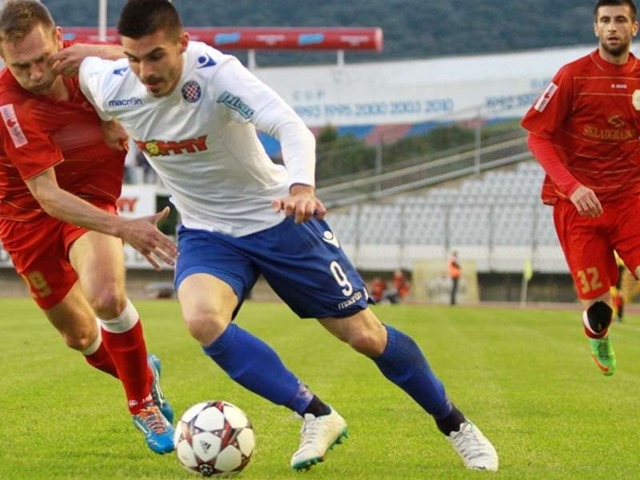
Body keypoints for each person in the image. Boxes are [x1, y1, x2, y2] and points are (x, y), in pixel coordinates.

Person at [66, 0, 499, 471]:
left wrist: (301, 187)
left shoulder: (216, 75)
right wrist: (106, 117)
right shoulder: (113, 84)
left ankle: (455, 423)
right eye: (133, 58)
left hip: (277, 217)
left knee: (364, 335)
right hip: (208, 230)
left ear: (183, 45)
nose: (145, 72)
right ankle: (316, 414)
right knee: (203, 320)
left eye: (156, 57)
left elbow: (290, 125)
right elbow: (65, 68)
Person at [0, 0, 178, 453]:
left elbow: (152, 58)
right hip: (28, 219)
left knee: (106, 297)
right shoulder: (11, 108)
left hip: (91, 199)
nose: (36, 73)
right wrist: (125, 228)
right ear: (4, 60)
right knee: (79, 336)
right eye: (21, 67)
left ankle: (142, 404)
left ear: (60, 38)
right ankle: (142, 370)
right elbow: (47, 196)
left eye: (43, 59)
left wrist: (107, 103)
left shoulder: (89, 63)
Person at [521, 0, 640, 377]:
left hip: (630, 200)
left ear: (634, 27)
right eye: (605, 21)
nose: (612, 27)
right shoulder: (573, 76)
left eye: (620, 20)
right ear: (595, 28)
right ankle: (598, 335)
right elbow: (537, 137)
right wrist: (572, 188)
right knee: (599, 311)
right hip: (578, 208)